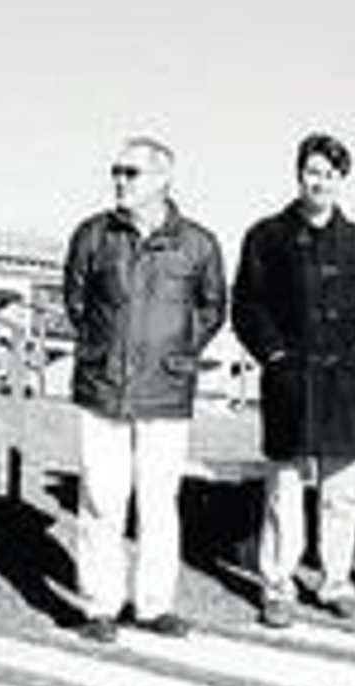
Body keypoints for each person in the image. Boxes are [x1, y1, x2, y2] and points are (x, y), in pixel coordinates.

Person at [62, 135, 226, 643]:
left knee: (159, 502)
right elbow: (76, 300)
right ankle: (99, 607)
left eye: (130, 172)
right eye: (116, 170)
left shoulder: (198, 244)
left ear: (162, 180)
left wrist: (179, 352)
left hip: (166, 392)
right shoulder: (92, 235)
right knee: (101, 499)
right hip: (103, 388)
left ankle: (154, 607)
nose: (119, 180)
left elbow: (212, 307)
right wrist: (98, 349)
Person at [232, 133, 355, 629]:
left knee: (343, 494)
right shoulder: (267, 236)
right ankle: (277, 586)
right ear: (299, 174)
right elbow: (248, 305)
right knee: (284, 489)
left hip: (344, 386)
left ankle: (336, 583)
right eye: (311, 172)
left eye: (329, 174)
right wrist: (275, 356)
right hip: (290, 383)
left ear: (343, 180)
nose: (319, 182)